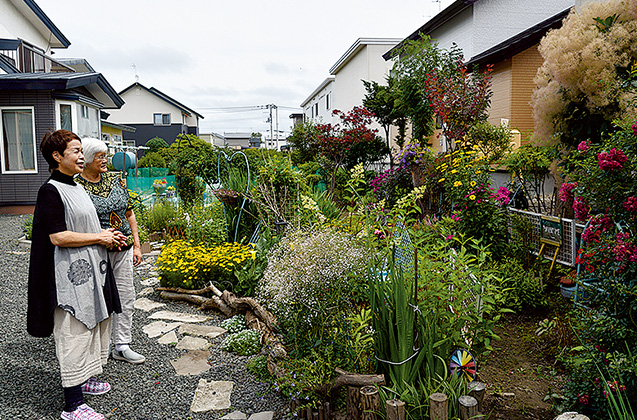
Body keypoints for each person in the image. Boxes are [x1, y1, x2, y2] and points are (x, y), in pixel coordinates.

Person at [27, 130, 127, 420]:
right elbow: (57, 237)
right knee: (74, 332)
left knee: (95, 324)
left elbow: (85, 225)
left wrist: (107, 235)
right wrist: (98, 238)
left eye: (82, 151)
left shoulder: (76, 186)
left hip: (91, 271)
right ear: (57, 157)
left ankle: (86, 379)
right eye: (75, 151)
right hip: (68, 275)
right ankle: (72, 405)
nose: (82, 156)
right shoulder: (50, 191)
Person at [76, 138, 146, 364]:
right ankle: (99, 346)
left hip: (123, 249)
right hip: (95, 251)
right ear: (86, 159)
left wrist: (136, 245)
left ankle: (122, 345)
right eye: (99, 156)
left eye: (105, 155)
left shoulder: (116, 181)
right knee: (98, 299)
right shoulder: (76, 187)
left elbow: (129, 214)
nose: (105, 160)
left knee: (126, 296)